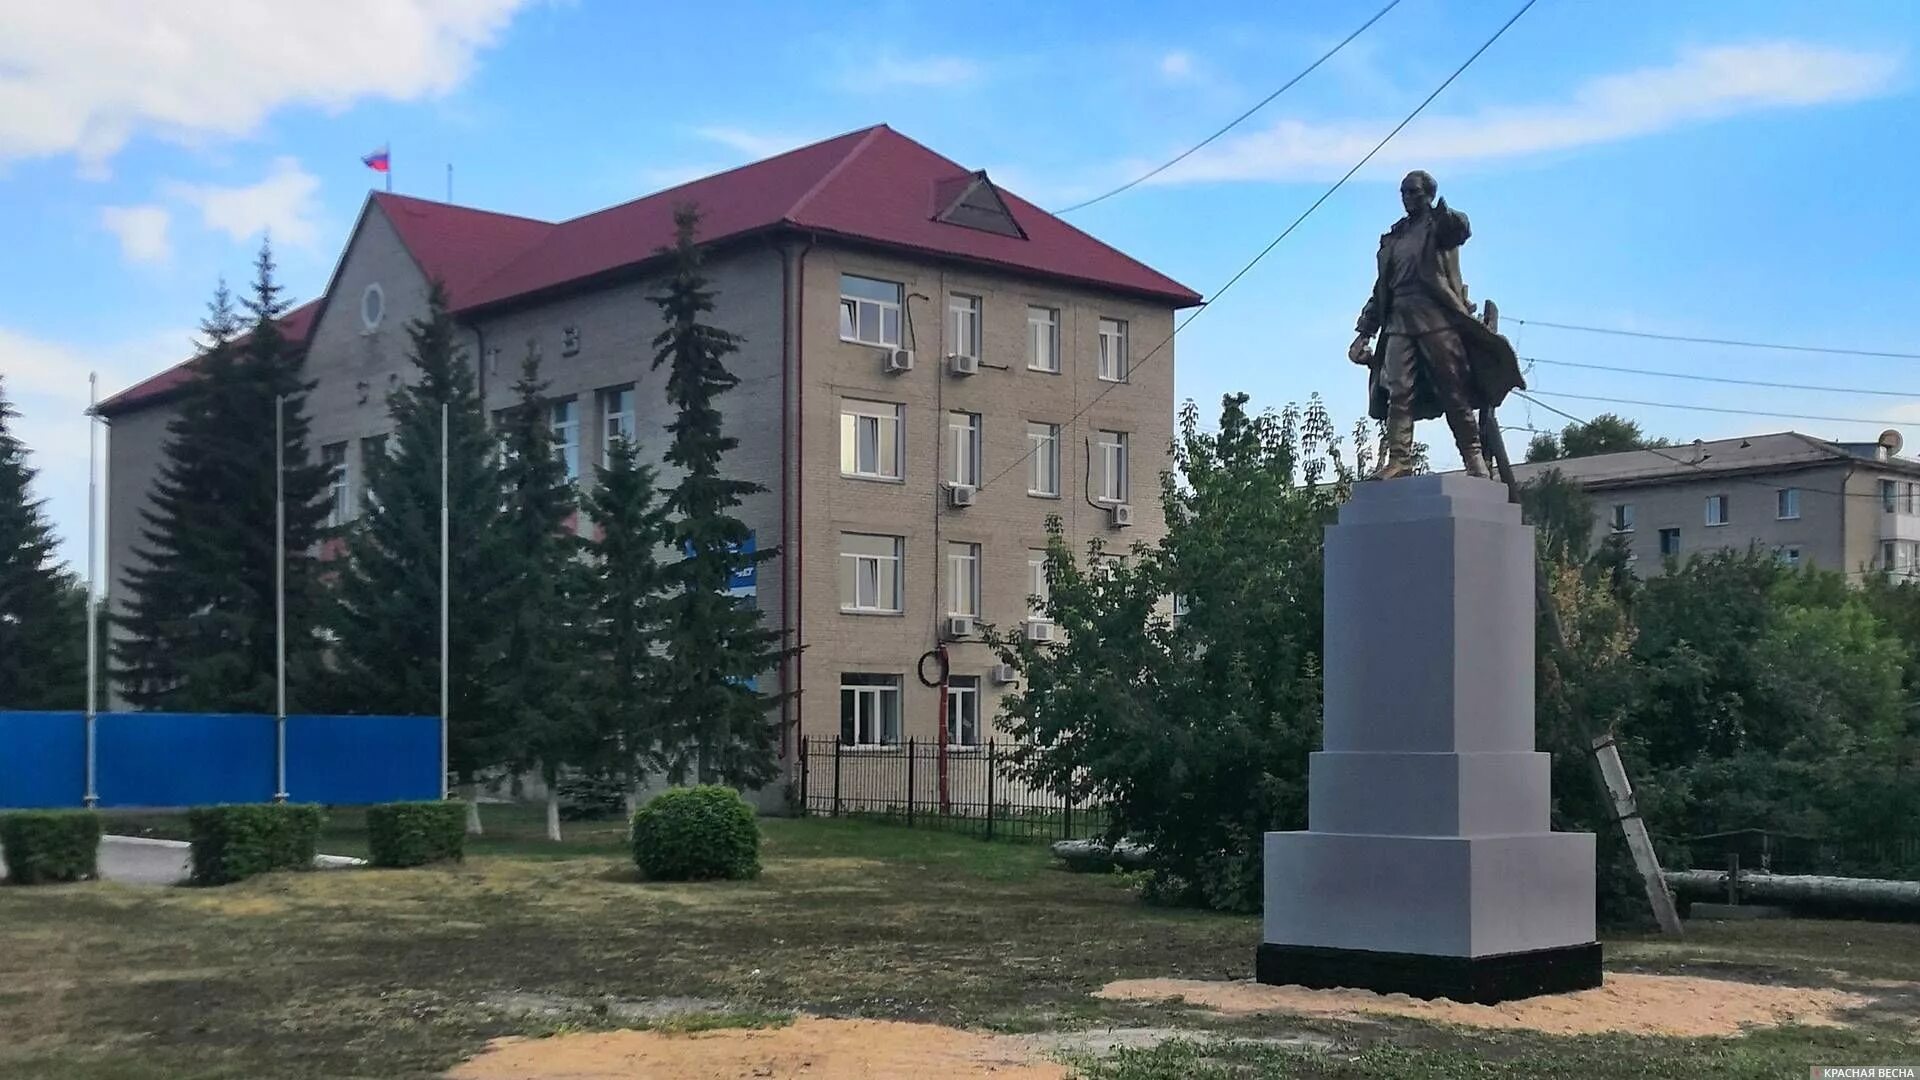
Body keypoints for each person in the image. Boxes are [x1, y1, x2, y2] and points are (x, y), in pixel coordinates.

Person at [1348, 170, 1523, 480]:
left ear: (1428, 194)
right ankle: (1399, 460)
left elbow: (1459, 228)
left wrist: (1443, 211)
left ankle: (1473, 458)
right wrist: (1364, 333)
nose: (1407, 197)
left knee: (1453, 389)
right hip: (1399, 320)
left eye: (1413, 191)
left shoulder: (1439, 227)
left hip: (1436, 318)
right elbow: (1381, 290)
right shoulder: (1394, 236)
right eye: (1403, 192)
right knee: (1398, 392)